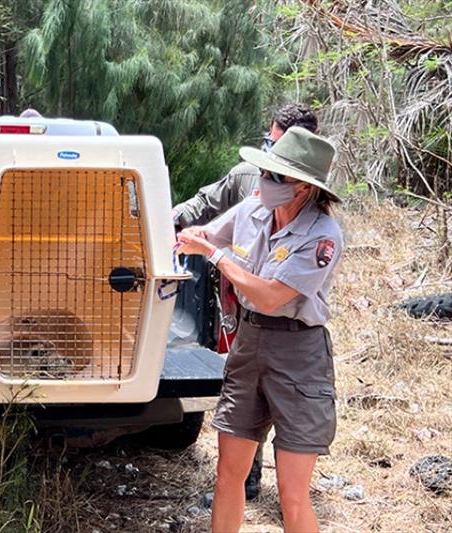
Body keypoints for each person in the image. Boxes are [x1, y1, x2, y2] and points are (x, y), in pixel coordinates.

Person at [176, 127, 343, 533]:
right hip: (250, 345)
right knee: (228, 474)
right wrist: (183, 234)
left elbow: (271, 296)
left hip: (298, 354)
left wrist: (215, 256)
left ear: (302, 187)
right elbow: (208, 233)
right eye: (265, 173)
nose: (265, 182)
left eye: (275, 177)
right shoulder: (253, 210)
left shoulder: (323, 237)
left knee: (292, 494)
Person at [172, 103, 319, 228]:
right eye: (269, 143)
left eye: (279, 148)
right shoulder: (246, 174)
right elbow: (205, 203)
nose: (270, 153)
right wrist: (173, 217)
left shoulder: (312, 201)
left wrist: (214, 254)